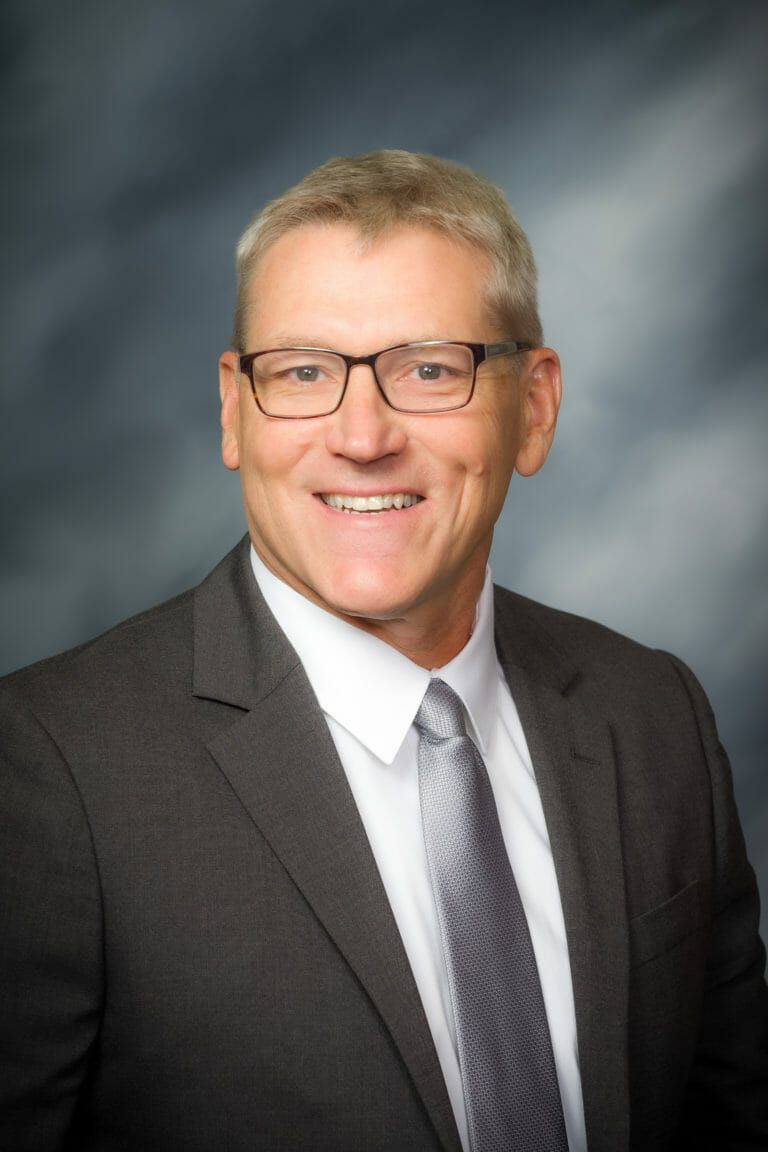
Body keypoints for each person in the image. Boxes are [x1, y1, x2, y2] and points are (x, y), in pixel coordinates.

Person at [1, 150, 766, 1152]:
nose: (362, 435)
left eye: (429, 370)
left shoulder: (649, 708)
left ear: (532, 407)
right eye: (305, 371)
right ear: (236, 410)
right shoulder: (51, 771)